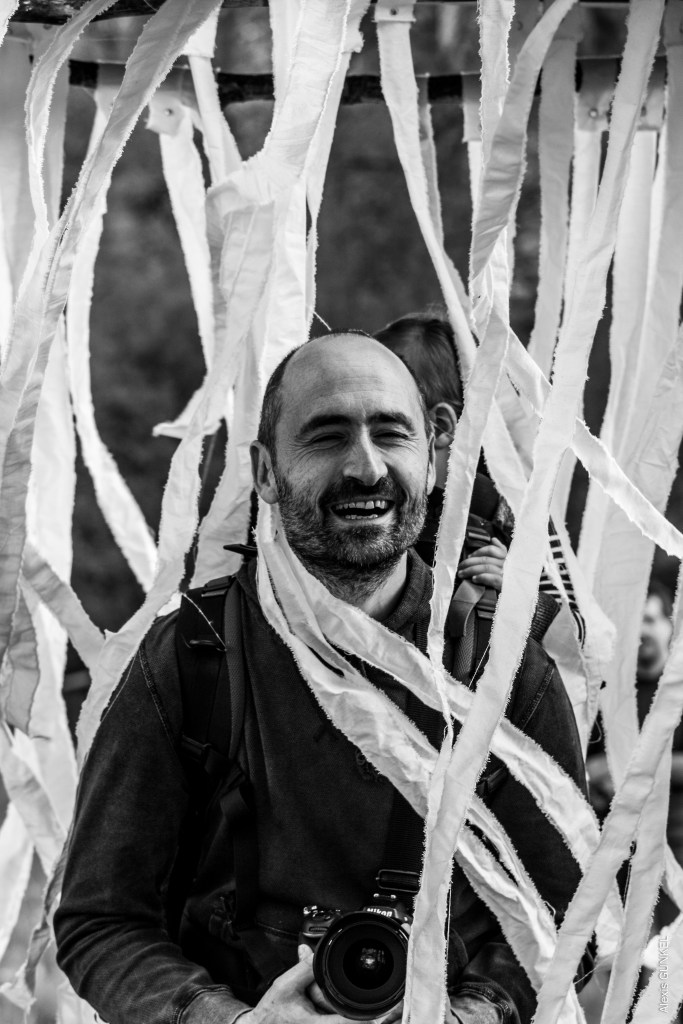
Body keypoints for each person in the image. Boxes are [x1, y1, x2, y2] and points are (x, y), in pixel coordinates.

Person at [55, 332, 588, 1024]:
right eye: (327, 437)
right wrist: (234, 1021)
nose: (365, 468)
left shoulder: (501, 666)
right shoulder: (192, 655)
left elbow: (565, 917)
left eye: (390, 433)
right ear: (265, 471)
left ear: (433, 453)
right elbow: (100, 921)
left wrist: (470, 1016)